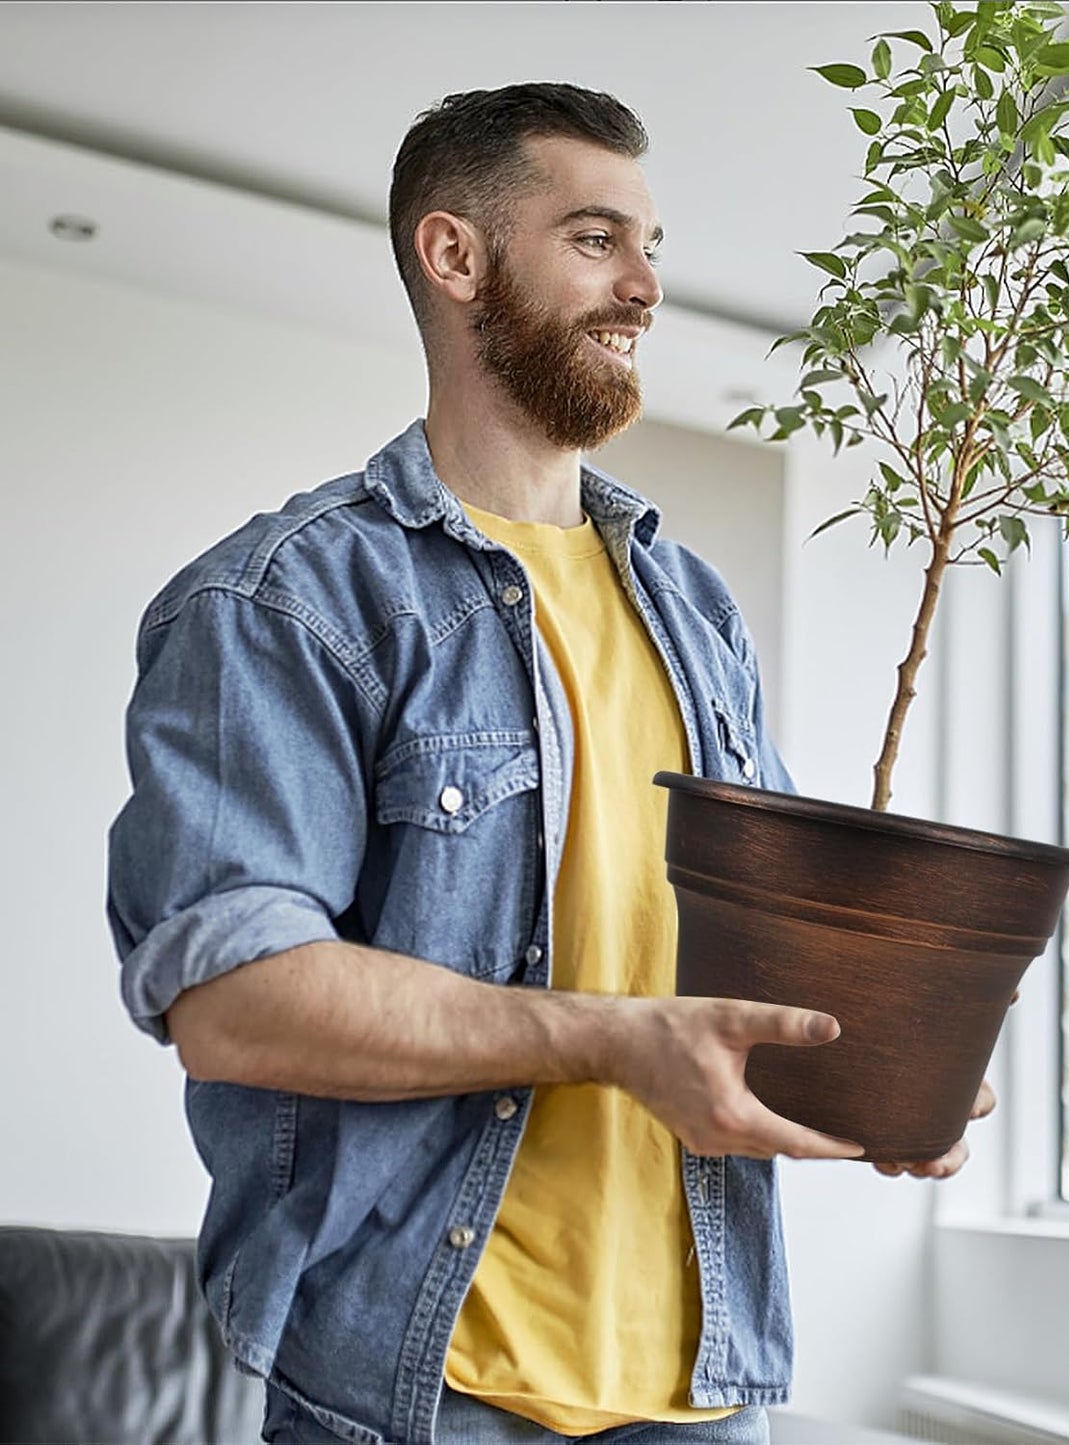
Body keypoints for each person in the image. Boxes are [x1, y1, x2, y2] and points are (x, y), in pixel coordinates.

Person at [107, 83, 990, 1445]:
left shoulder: (691, 608)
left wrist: (874, 1053)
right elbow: (235, 995)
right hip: (413, 1391)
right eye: (593, 240)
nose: (643, 287)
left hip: (702, 1388)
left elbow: (731, 959)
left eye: (650, 247)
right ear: (454, 255)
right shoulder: (282, 600)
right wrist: (610, 1039)